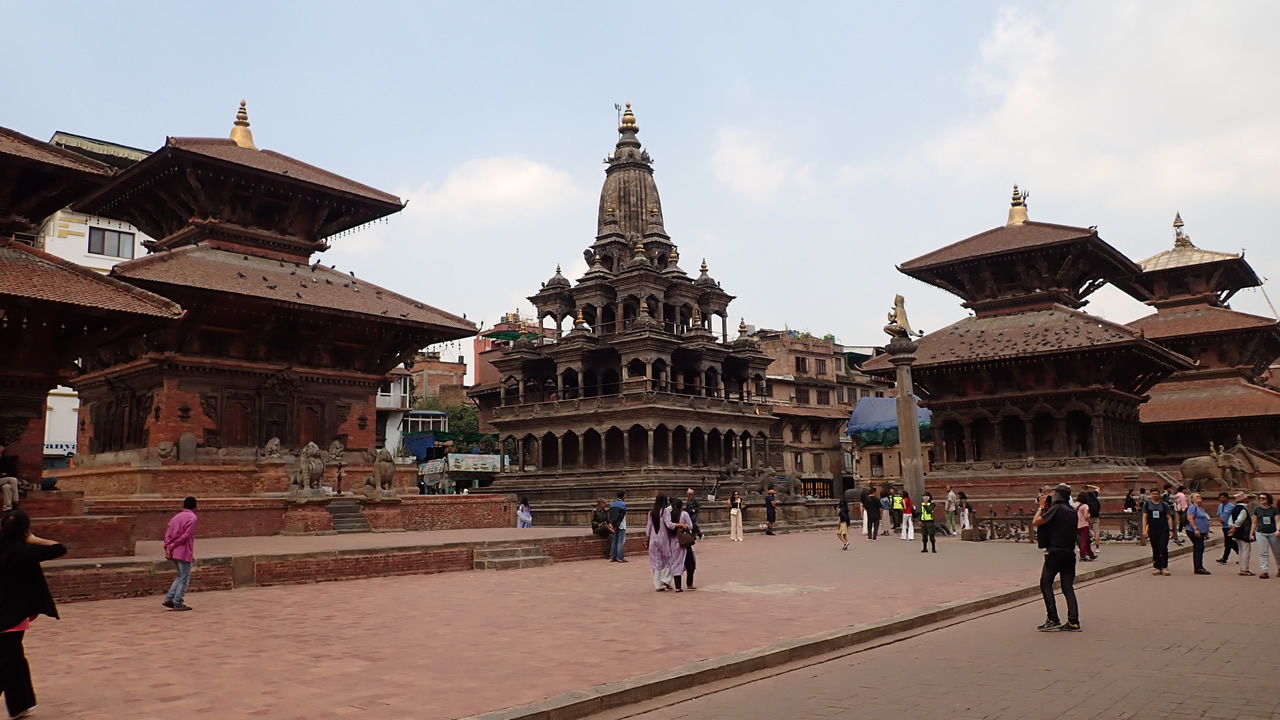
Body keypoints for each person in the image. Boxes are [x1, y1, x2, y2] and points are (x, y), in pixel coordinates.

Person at [0, 510, 67, 718]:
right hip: (10, 617)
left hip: (9, 616)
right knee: (7, 660)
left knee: (16, 660)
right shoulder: (23, 551)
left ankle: (21, 703)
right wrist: (33, 539)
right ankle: (21, 702)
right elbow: (59, 548)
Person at [1032, 484, 1081, 631]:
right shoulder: (1072, 511)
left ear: (1058, 494)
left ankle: (1053, 617)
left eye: (1053, 493)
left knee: (1045, 583)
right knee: (1067, 587)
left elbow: (1036, 522)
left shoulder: (1057, 508)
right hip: (1069, 552)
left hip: (1056, 552)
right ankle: (1073, 620)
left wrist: (1041, 507)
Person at [162, 497, 199, 611]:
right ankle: (178, 602)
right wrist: (173, 546)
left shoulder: (175, 517)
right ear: (195, 506)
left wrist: (168, 547)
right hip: (183, 551)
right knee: (184, 577)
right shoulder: (192, 518)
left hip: (174, 552)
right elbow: (186, 535)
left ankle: (169, 599)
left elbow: (167, 534)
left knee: (180, 576)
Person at [1142, 487, 1175, 575]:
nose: (1155, 495)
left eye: (1156, 494)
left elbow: (1169, 517)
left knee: (1163, 547)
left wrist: (1171, 530)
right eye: (1153, 494)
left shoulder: (1164, 505)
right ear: (1151, 495)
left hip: (1163, 529)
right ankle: (1157, 566)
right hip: (1153, 529)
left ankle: (1164, 566)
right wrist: (1144, 530)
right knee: (1155, 548)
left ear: (1159, 494)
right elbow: (1145, 517)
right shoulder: (1147, 504)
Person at [645, 494, 674, 590]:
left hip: (653, 540)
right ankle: (666, 579)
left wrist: (647, 539)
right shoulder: (665, 511)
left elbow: (648, 529)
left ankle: (658, 585)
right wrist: (679, 525)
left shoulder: (651, 512)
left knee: (655, 562)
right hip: (664, 539)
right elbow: (669, 524)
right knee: (671, 559)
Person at [667, 499, 694, 591]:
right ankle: (689, 583)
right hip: (684, 541)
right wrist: (682, 525)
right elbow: (690, 526)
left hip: (674, 542)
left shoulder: (670, 514)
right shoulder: (684, 514)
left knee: (676, 563)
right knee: (691, 563)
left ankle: (678, 587)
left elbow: (669, 525)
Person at [1228, 491, 1254, 576]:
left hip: (1237, 534)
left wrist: (1232, 529)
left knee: (1241, 551)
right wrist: (1234, 529)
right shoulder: (1243, 510)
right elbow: (1239, 521)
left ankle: (1242, 568)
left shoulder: (1235, 508)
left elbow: (1230, 521)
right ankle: (1245, 569)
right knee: (1246, 551)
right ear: (1243, 500)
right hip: (1243, 533)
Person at [1185, 493, 1212, 575]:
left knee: (1200, 548)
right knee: (1198, 547)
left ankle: (1199, 566)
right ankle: (1198, 567)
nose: (1199, 497)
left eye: (1200, 496)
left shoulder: (1200, 508)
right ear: (1192, 499)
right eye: (1197, 497)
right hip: (1194, 531)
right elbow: (1190, 518)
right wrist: (1195, 529)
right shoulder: (1192, 507)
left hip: (1202, 531)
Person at [1254, 493, 1279, 579]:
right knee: (1263, 552)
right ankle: (1264, 571)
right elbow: (1254, 522)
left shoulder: (1274, 510)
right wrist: (1251, 533)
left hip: (1272, 532)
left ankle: (1279, 568)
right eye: (1260, 498)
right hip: (1261, 532)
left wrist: (1278, 530)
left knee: (1277, 552)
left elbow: (1277, 521)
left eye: (1263, 498)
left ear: (1268, 499)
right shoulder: (1257, 509)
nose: (1261, 500)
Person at [1216, 491, 1238, 566]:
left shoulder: (1231, 506)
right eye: (1220, 497)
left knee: (1228, 542)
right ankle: (1242, 555)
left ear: (1226, 498)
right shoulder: (1220, 506)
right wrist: (1219, 519)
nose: (1220, 499)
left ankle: (1224, 558)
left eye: (1222, 497)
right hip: (1224, 526)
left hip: (1230, 527)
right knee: (1232, 543)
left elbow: (1235, 516)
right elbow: (1218, 515)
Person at [607, 491, 628, 563]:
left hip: (614, 524)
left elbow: (610, 516)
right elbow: (621, 516)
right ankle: (620, 557)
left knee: (615, 541)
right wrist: (617, 524)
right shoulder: (623, 505)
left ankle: (613, 556)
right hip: (621, 525)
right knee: (620, 541)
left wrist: (613, 524)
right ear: (623, 496)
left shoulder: (612, 505)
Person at [1075, 492, 1096, 561]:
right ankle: (1082, 555)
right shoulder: (1085, 506)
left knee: (1086, 541)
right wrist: (1090, 514)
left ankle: (1091, 554)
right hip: (1084, 525)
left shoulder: (1074, 505)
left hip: (1076, 524)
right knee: (1084, 541)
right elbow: (1086, 517)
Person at [1084, 485, 1102, 556]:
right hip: (1096, 516)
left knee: (1086, 532)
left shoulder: (1085, 498)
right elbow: (1098, 488)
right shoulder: (1095, 495)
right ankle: (1097, 547)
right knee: (1096, 532)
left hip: (1088, 516)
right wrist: (1091, 485)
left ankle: (1085, 545)